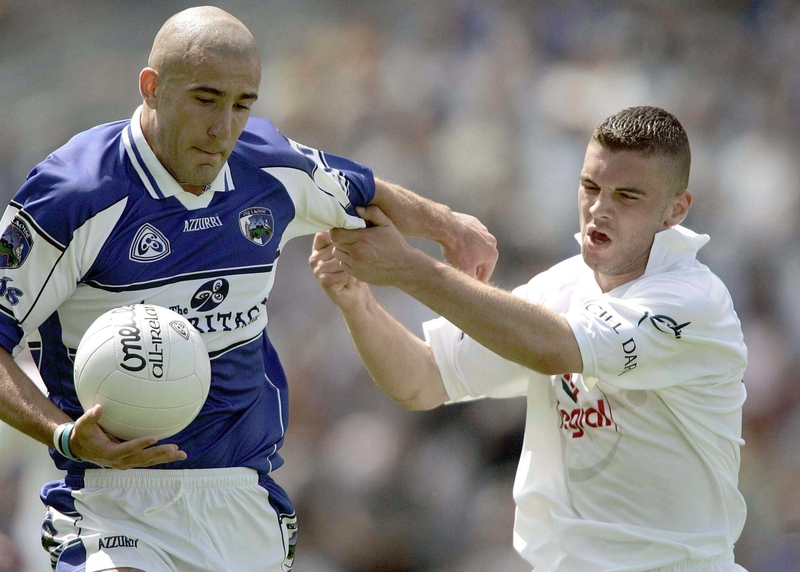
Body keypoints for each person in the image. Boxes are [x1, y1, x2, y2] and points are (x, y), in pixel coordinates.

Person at [0, 6, 498, 572]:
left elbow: (363, 190)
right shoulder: (72, 192)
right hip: (114, 502)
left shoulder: (265, 165)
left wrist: (450, 226)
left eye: (242, 106)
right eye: (206, 99)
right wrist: (64, 436)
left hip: (241, 500)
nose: (224, 128)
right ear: (151, 88)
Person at [311, 106, 749, 572]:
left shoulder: (693, 300)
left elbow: (555, 348)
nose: (600, 208)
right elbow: (424, 380)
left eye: (627, 196)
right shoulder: (561, 287)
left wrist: (406, 267)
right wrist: (356, 300)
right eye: (590, 187)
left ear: (675, 210)